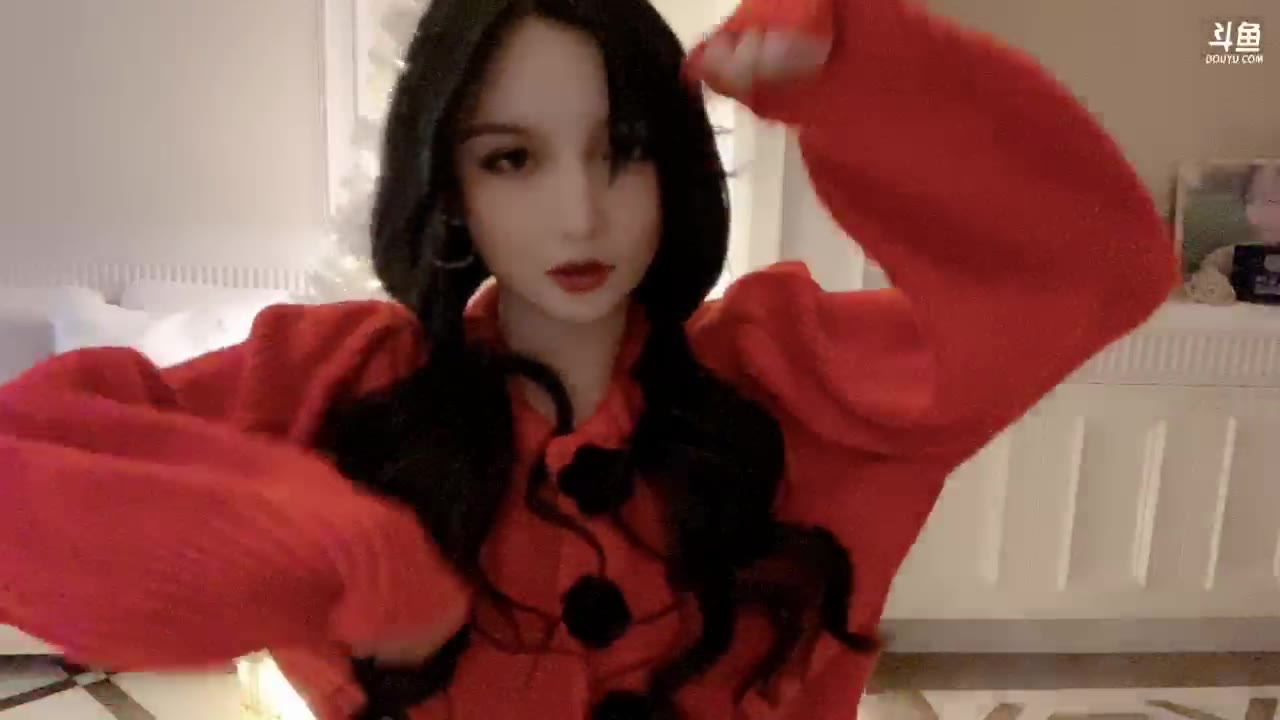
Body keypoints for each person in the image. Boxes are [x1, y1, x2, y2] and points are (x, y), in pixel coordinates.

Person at [0, 0, 1176, 718]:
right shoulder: (343, 383)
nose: (577, 215)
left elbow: (1090, 273)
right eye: (511, 159)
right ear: (449, 182)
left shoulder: (791, 379)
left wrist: (868, 80)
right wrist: (311, 550)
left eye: (622, 150)